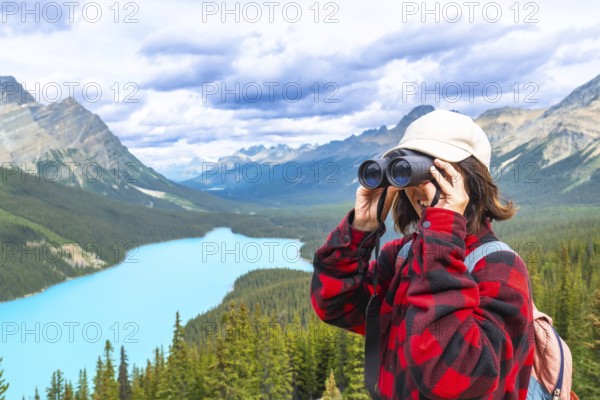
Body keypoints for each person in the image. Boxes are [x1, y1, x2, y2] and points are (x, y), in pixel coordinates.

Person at [311, 110, 535, 400]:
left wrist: (442, 238)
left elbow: (449, 380)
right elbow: (335, 306)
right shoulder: (402, 256)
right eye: (408, 170)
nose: (419, 186)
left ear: (472, 181)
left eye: (435, 171)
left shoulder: (501, 269)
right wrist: (360, 230)